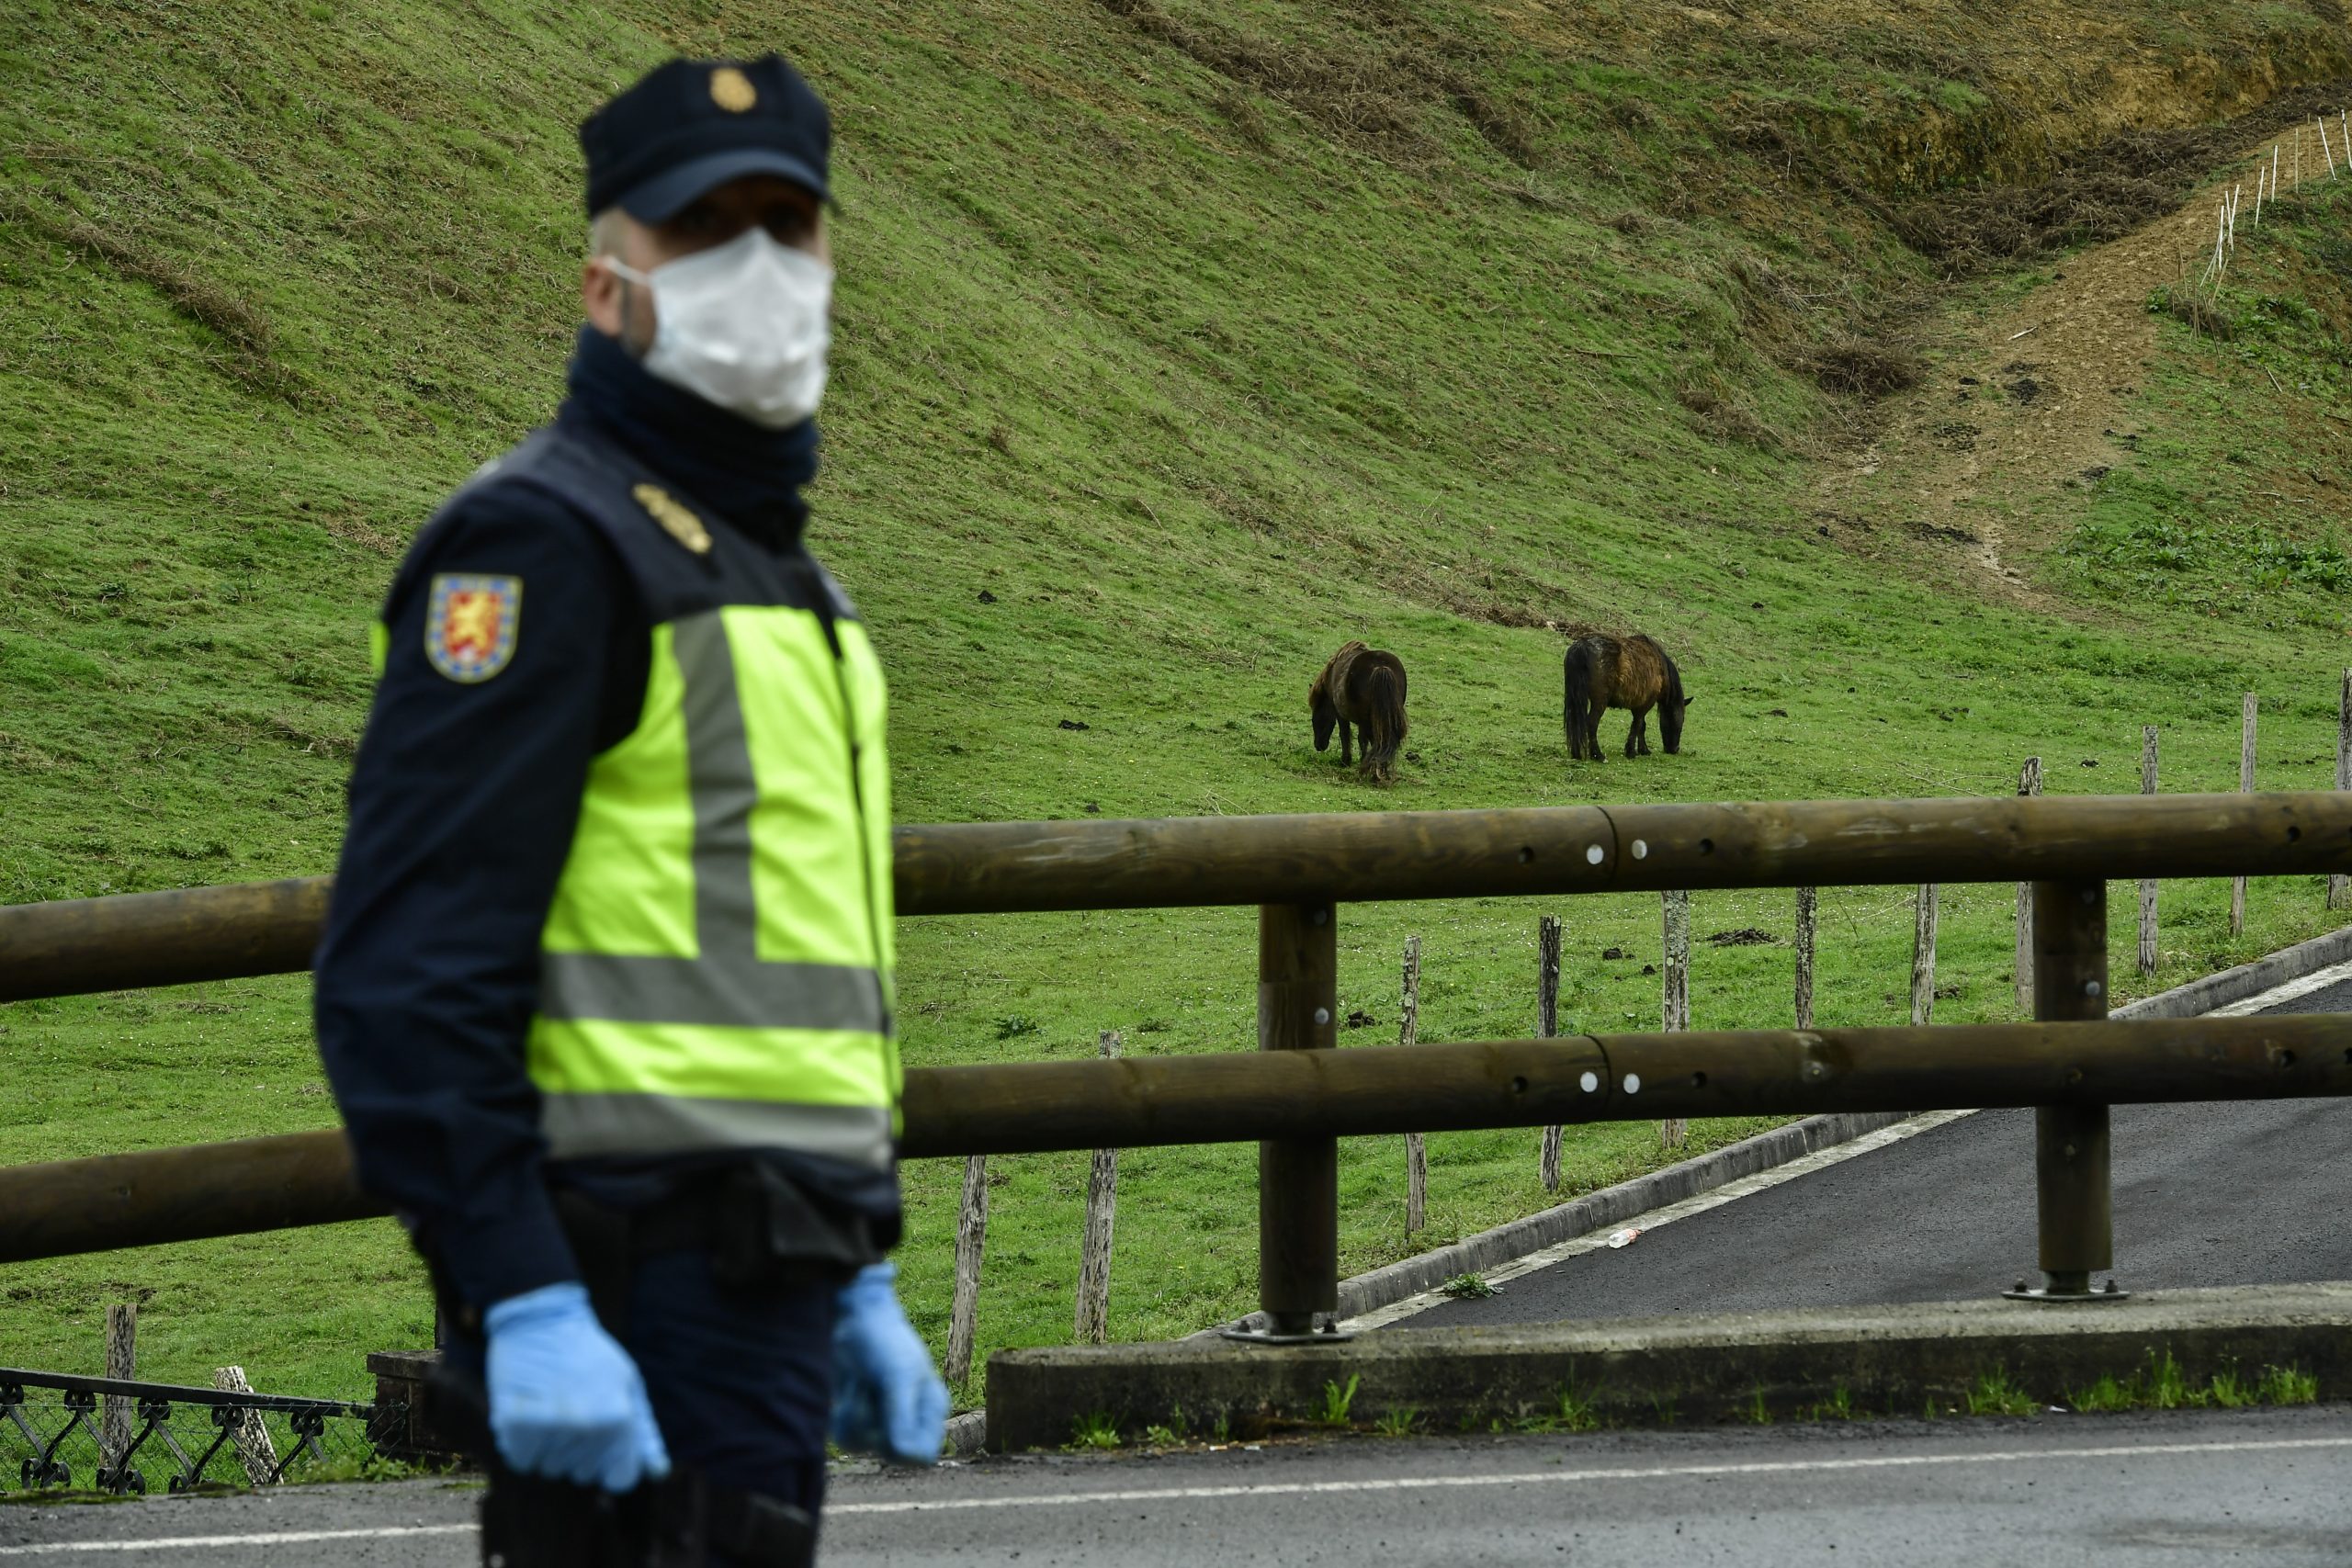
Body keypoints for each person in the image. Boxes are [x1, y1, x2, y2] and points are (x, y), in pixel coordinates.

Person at [314, 52, 946, 1567]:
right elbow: (408, 971)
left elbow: (775, 960)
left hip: (769, 1282)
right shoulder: (542, 546)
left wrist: (853, 1256)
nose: (760, 269)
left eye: (787, 228)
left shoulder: (783, 579)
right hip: (618, 1285)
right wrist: (519, 1294)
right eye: (704, 229)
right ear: (608, 284)